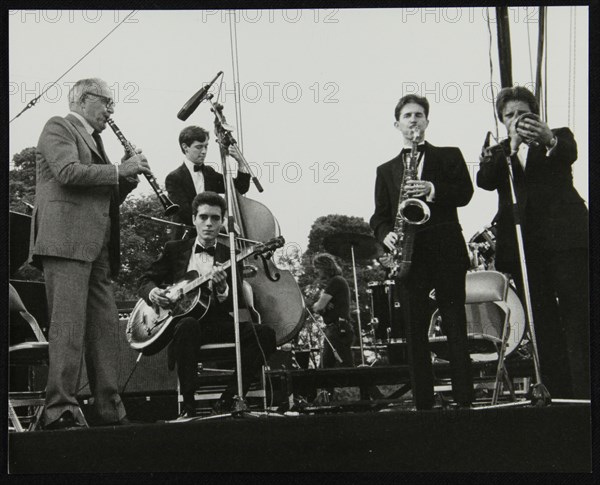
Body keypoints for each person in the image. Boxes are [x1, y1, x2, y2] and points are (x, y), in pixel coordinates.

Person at [28, 77, 152, 429]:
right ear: (83, 101)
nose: (111, 110)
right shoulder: (59, 126)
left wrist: (127, 178)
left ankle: (110, 411)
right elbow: (68, 173)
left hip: (96, 248)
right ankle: (59, 411)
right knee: (67, 329)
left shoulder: (96, 141)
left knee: (104, 330)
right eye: (107, 102)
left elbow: (102, 198)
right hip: (66, 244)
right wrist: (117, 170)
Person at [477, 86, 589, 399]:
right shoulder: (499, 152)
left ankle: (586, 392)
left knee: (578, 315)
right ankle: (558, 392)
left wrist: (547, 138)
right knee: (542, 322)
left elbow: (569, 151)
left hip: (565, 240)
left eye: (523, 113)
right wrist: (511, 147)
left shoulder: (558, 135)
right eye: (510, 115)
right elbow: (484, 180)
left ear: (536, 115)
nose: (517, 120)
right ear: (502, 120)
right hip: (526, 249)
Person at [370, 94, 474, 410]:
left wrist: (431, 190)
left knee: (456, 324)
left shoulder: (449, 155)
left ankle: (465, 400)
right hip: (408, 256)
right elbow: (379, 215)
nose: (413, 120)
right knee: (415, 331)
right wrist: (386, 234)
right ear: (397, 124)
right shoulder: (385, 169)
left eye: (419, 115)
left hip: (446, 251)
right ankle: (424, 403)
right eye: (407, 115)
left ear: (427, 121)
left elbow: (465, 194)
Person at [138, 191, 277, 417]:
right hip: (186, 324)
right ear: (194, 219)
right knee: (188, 326)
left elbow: (237, 301)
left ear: (222, 221)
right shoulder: (175, 249)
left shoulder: (230, 254)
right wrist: (153, 293)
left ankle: (229, 398)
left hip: (218, 322)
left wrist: (222, 289)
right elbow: (145, 280)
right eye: (203, 217)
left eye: (215, 218)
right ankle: (189, 404)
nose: (209, 223)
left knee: (266, 335)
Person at [165, 125, 251, 239]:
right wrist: (220, 223)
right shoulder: (174, 178)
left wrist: (240, 162)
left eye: (206, 146)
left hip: (212, 241)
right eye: (199, 147)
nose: (204, 151)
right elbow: (185, 213)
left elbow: (240, 188)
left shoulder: (209, 172)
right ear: (185, 147)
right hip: (186, 240)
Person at [311, 253, 354, 369]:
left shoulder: (335, 282)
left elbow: (318, 307)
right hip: (337, 328)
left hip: (338, 329)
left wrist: (321, 306)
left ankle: (367, 387)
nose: (316, 271)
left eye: (317, 268)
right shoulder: (338, 281)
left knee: (344, 365)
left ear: (325, 267)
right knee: (327, 366)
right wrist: (325, 305)